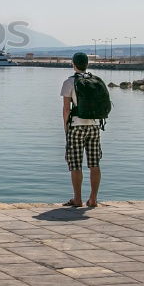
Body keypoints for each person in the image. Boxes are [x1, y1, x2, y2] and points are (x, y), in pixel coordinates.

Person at [60, 52, 102, 208]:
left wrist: (66, 128)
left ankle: (77, 199)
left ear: (74, 64)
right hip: (94, 126)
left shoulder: (69, 82)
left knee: (76, 164)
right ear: (87, 64)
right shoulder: (95, 81)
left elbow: (66, 109)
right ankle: (93, 199)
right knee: (94, 163)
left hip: (76, 127)